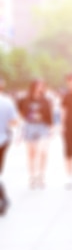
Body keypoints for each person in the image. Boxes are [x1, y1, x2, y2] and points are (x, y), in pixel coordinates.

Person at [17, 80, 53, 189]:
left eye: (42, 86)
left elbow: (50, 114)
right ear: (33, 87)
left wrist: (51, 128)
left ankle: (41, 175)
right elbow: (19, 109)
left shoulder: (46, 100)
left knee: (43, 151)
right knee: (31, 153)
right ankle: (32, 176)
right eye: (38, 86)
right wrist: (21, 121)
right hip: (29, 126)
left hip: (43, 126)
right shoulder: (25, 99)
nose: (40, 88)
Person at [0, 78, 19, 216]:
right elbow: (14, 122)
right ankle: (4, 199)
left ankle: (4, 199)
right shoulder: (8, 101)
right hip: (3, 140)